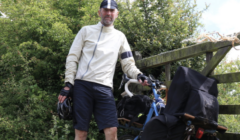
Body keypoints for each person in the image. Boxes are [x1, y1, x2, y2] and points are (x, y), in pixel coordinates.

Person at [58, 0, 149, 139]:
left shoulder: (120, 37)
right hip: (83, 85)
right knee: (81, 133)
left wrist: (139, 75)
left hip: (104, 88)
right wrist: (68, 83)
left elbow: (128, 63)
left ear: (117, 14)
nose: (108, 13)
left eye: (112, 10)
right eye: (105, 10)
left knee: (112, 130)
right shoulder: (86, 31)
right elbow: (72, 57)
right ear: (99, 12)